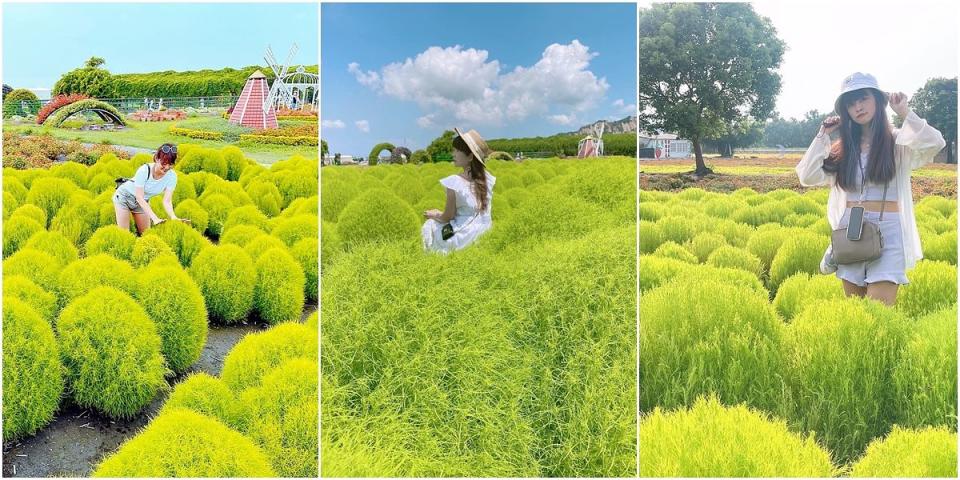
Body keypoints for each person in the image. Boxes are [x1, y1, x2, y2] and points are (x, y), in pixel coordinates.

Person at [796, 72, 945, 306]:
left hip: (888, 232)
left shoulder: (898, 142)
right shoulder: (842, 149)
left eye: (863, 99)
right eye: (851, 103)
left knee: (879, 313)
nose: (858, 107)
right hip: (851, 231)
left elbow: (935, 143)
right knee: (856, 314)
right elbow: (807, 176)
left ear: (877, 100)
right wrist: (822, 135)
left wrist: (905, 112)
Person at [422, 128, 497, 254]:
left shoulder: (455, 182)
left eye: (457, 150)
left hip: (464, 237)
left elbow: (447, 217)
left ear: (470, 156)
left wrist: (434, 214)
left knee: (430, 226)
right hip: (485, 233)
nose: (453, 154)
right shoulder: (487, 179)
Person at [114, 143, 187, 235]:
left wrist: (173, 216)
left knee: (146, 234)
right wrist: (155, 218)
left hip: (142, 202)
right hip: (124, 197)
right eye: (164, 163)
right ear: (156, 159)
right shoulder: (144, 170)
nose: (167, 167)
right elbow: (139, 197)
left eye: (170, 164)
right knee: (124, 234)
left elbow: (167, 201)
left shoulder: (172, 176)